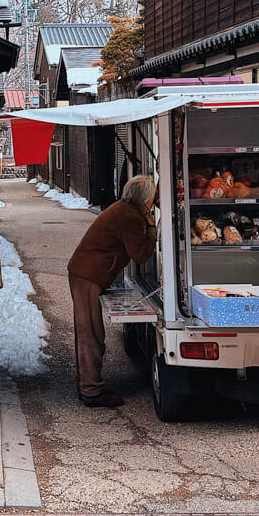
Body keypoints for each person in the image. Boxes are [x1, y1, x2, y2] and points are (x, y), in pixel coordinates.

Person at [66, 175, 158, 408]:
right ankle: (91, 391)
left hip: (85, 273)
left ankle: (87, 384)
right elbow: (141, 254)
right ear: (145, 199)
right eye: (153, 197)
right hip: (88, 276)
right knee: (90, 334)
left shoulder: (123, 208)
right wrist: (151, 226)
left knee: (88, 332)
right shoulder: (131, 217)